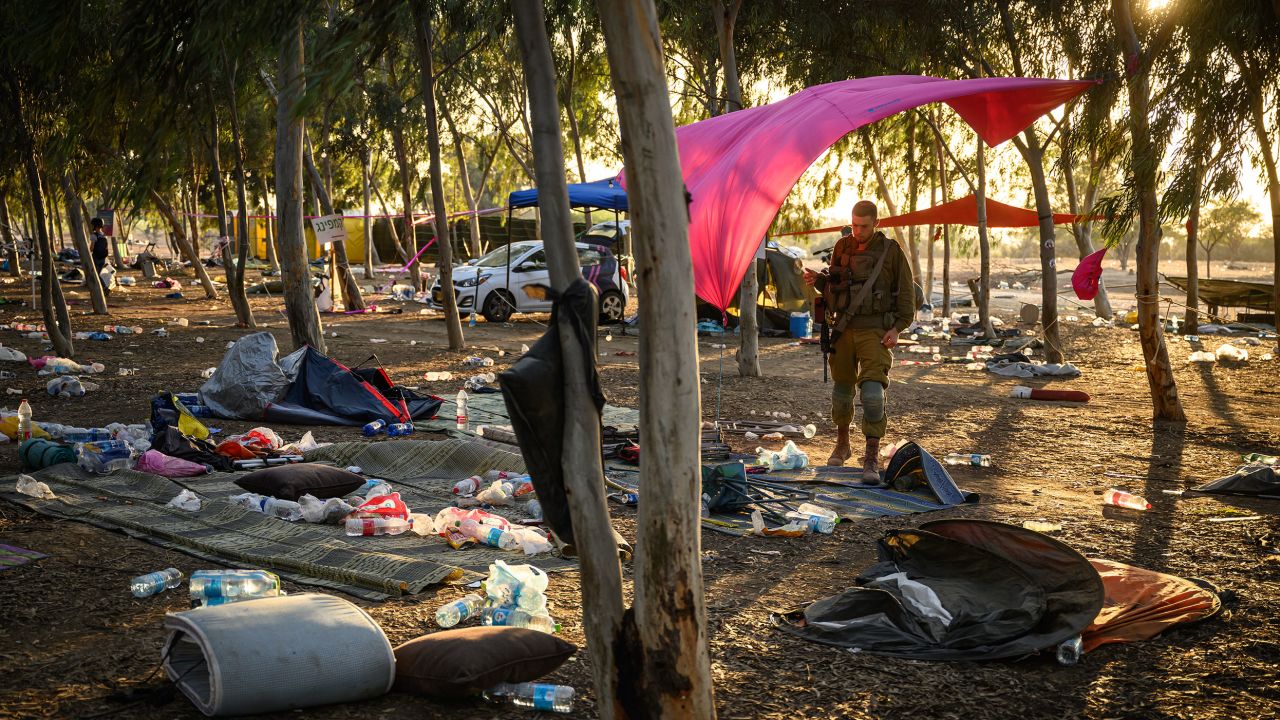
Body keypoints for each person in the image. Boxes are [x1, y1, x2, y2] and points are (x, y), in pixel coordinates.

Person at [803, 200, 914, 482]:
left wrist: (898, 328)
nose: (858, 231)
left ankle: (871, 457)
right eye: (854, 225)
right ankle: (842, 444)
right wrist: (818, 279)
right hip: (843, 328)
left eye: (863, 226)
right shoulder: (843, 247)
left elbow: (906, 296)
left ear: (876, 224)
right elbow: (835, 285)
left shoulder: (891, 251)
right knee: (842, 393)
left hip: (876, 331)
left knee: (874, 395)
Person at [89, 217, 110, 297]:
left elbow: (91, 248)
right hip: (103, 259)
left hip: (96, 258)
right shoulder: (104, 235)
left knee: (96, 275)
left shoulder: (94, 236)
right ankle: (102, 289)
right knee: (97, 274)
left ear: (95, 226)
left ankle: (104, 288)